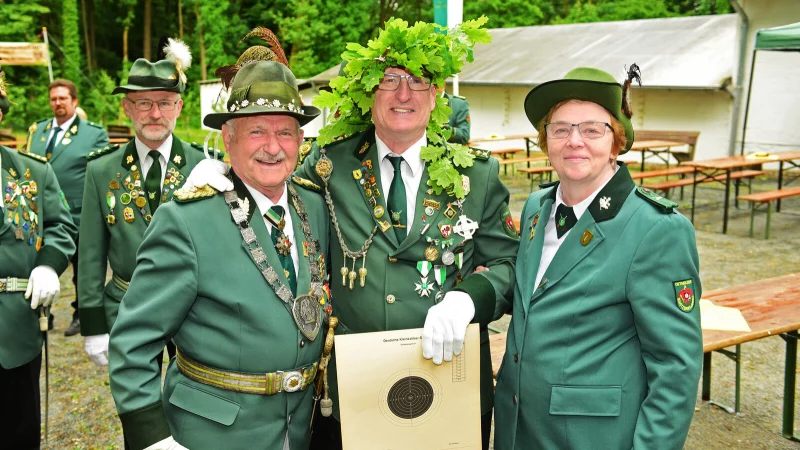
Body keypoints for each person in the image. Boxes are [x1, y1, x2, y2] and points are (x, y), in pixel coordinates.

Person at [188, 17, 516, 450]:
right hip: (354, 393)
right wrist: (225, 176)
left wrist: (468, 299)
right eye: (389, 80)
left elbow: (509, 264)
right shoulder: (328, 165)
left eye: (417, 80)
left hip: (450, 385)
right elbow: (272, 189)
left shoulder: (476, 174)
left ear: (436, 93)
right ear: (368, 93)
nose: (403, 94)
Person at [108, 60, 329, 450]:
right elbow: (133, 341)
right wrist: (153, 438)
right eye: (257, 131)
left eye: (285, 132)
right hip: (213, 433)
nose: (273, 147)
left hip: (300, 428)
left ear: (301, 140)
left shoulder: (315, 206)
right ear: (228, 138)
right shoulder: (186, 221)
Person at [493, 66, 702, 450]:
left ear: (616, 142)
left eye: (591, 130)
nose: (574, 141)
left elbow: (676, 367)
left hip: (592, 437)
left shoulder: (655, 228)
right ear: (546, 141)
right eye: (561, 129)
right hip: (518, 429)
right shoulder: (537, 207)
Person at [0, 71, 78, 448]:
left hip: (15, 328)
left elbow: (61, 225)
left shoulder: (31, 171)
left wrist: (48, 264)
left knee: (18, 432)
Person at [26, 78, 109, 336]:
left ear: (74, 101)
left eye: (63, 98)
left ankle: (81, 314)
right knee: (39, 264)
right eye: (53, 99)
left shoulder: (93, 134)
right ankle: (43, 313)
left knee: (82, 270)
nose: (58, 103)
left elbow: (101, 175)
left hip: (79, 214)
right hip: (39, 215)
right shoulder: (37, 131)